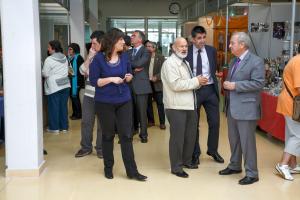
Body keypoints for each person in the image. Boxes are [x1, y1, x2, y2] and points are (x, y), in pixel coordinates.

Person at [89, 28, 147, 181]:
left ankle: (132, 171)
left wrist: (128, 77)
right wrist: (111, 79)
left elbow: (129, 74)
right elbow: (94, 81)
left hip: (124, 101)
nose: (124, 42)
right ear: (113, 41)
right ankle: (108, 168)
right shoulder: (98, 59)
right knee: (107, 135)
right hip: (105, 103)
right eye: (121, 39)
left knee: (126, 135)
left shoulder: (125, 57)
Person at [219, 32, 264, 185]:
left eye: (232, 43)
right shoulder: (233, 61)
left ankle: (252, 173)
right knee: (234, 140)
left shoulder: (256, 61)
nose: (229, 45)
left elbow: (258, 83)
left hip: (247, 108)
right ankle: (235, 165)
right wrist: (227, 83)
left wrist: (235, 86)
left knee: (247, 142)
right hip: (232, 107)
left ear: (242, 44)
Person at [161, 37, 208, 178]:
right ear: (173, 48)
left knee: (190, 136)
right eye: (181, 46)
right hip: (176, 106)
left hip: (189, 105)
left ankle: (186, 161)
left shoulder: (185, 62)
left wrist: (199, 82)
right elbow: (176, 85)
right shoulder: (170, 63)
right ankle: (176, 167)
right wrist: (195, 81)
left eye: (186, 46)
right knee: (177, 138)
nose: (184, 48)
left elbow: (189, 84)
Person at [185, 26, 224, 165]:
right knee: (193, 124)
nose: (202, 41)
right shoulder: (187, 52)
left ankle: (212, 150)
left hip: (211, 91)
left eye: (204, 37)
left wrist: (217, 74)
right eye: (199, 38)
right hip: (194, 90)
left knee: (215, 122)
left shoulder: (211, 50)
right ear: (193, 39)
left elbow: (215, 68)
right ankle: (195, 153)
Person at [75, 31, 105, 158]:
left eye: (94, 43)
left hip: (103, 95)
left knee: (102, 124)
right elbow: (82, 71)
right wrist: (89, 57)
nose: (92, 45)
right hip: (89, 94)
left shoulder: (108, 56)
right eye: (92, 43)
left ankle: (101, 148)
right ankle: (86, 147)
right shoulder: (91, 55)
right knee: (86, 121)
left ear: (102, 43)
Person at [275, 53, 300, 181]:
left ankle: (293, 164)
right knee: (297, 135)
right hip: (292, 103)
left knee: (291, 134)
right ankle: (283, 164)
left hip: (289, 101)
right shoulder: (299, 61)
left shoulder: (295, 60)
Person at [42, 40, 70, 133]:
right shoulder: (65, 57)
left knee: (53, 107)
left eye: (49, 47)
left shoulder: (49, 59)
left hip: (54, 86)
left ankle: (54, 128)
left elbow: (45, 73)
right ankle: (64, 127)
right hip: (65, 84)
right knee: (63, 107)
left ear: (53, 48)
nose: (48, 49)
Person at [129, 30, 152, 143]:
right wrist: (133, 69)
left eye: (133, 36)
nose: (131, 37)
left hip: (141, 86)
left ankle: (143, 135)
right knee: (130, 111)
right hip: (128, 86)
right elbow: (125, 65)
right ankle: (131, 132)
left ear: (140, 39)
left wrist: (131, 66)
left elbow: (139, 64)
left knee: (142, 112)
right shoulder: (128, 52)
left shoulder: (146, 51)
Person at [145, 41, 166, 129]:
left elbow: (164, 71)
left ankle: (162, 122)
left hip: (157, 83)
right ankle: (151, 121)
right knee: (148, 103)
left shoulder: (161, 57)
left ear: (154, 48)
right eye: (146, 46)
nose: (147, 48)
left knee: (160, 103)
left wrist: (156, 77)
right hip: (147, 83)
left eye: (149, 46)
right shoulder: (145, 58)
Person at [68, 43, 85, 120]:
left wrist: (78, 83)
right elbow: (71, 70)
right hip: (72, 81)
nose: (69, 51)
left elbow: (81, 72)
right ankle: (75, 113)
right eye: (69, 49)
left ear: (75, 49)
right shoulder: (71, 58)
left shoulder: (79, 58)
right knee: (73, 97)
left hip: (77, 82)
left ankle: (78, 114)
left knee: (75, 98)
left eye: (70, 49)